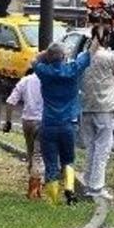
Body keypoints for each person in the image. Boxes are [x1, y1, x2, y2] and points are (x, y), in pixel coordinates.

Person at [34, 41, 95, 206]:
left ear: (49, 57)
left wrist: (45, 54)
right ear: (64, 56)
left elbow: (34, 60)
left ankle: (53, 201)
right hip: (68, 124)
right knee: (68, 160)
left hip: (48, 124)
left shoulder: (43, 72)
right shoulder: (72, 70)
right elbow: (88, 54)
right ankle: (69, 189)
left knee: (51, 162)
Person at [79, 25, 114, 200]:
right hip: (104, 107)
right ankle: (97, 187)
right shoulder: (110, 57)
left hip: (87, 105)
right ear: (106, 38)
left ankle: (87, 182)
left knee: (91, 147)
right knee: (103, 148)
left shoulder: (83, 56)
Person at [4, 71, 45, 199]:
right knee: (38, 155)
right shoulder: (49, 80)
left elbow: (11, 101)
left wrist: (8, 121)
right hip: (42, 121)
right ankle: (34, 189)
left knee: (30, 153)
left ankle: (35, 184)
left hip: (27, 121)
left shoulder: (26, 80)